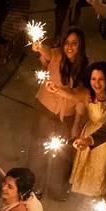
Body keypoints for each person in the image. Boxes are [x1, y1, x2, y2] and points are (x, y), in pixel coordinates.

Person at [29, 27, 88, 200]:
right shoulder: (55, 55)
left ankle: (56, 188)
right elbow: (46, 53)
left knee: (61, 155)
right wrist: (39, 47)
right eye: (67, 42)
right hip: (45, 110)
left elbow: (81, 99)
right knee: (39, 150)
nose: (69, 47)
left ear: (80, 46)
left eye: (74, 43)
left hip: (67, 117)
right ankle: (34, 187)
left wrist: (76, 124)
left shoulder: (84, 67)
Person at [69, 61, 106, 197]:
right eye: (93, 79)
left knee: (101, 171)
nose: (97, 83)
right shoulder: (88, 95)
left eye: (101, 79)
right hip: (89, 134)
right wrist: (56, 90)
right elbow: (72, 96)